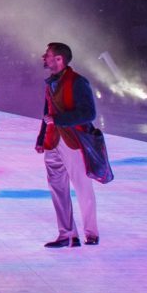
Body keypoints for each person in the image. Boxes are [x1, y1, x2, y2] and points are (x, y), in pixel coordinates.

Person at [37, 42, 101, 248]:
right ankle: (67, 235)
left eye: (47, 55)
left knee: (83, 188)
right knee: (58, 189)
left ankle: (91, 232)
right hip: (53, 141)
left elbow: (89, 113)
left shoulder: (78, 82)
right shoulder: (51, 83)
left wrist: (59, 120)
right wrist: (41, 138)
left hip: (73, 142)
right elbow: (47, 113)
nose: (43, 57)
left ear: (59, 59)